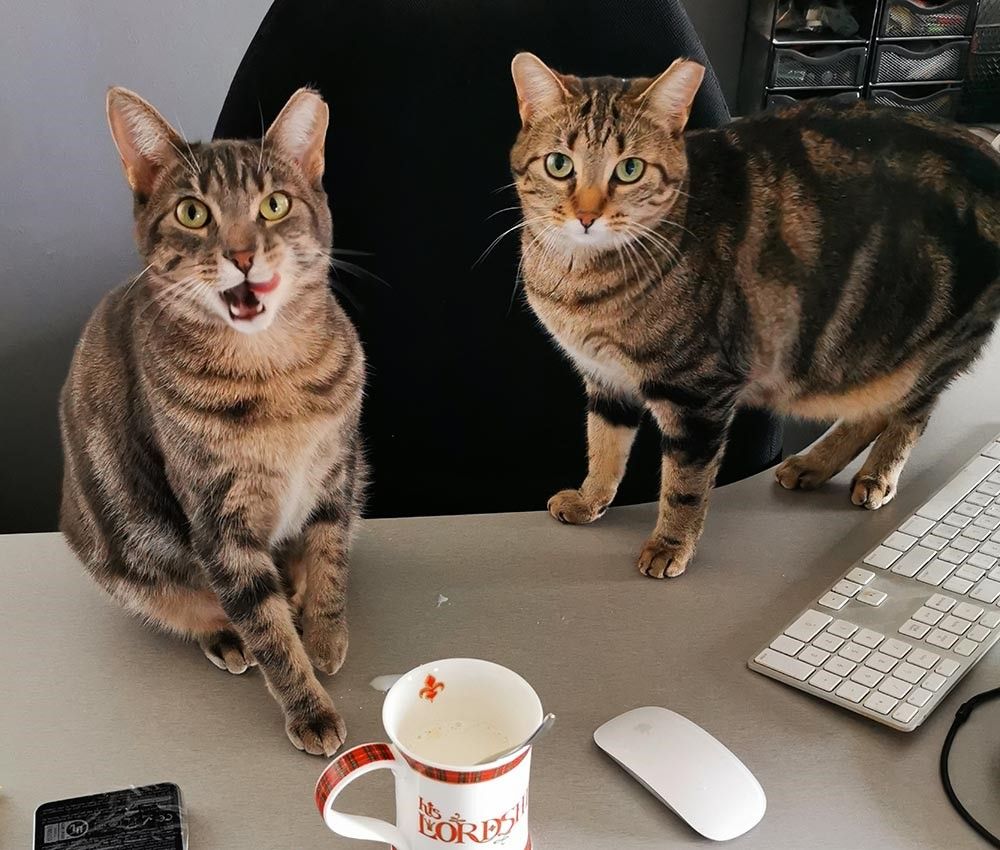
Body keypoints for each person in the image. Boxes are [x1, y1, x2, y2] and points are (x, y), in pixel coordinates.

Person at [215, 0, 784, 518]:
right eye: (563, 168)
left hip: (665, 510)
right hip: (326, 512)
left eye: (624, 171)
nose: (587, 207)